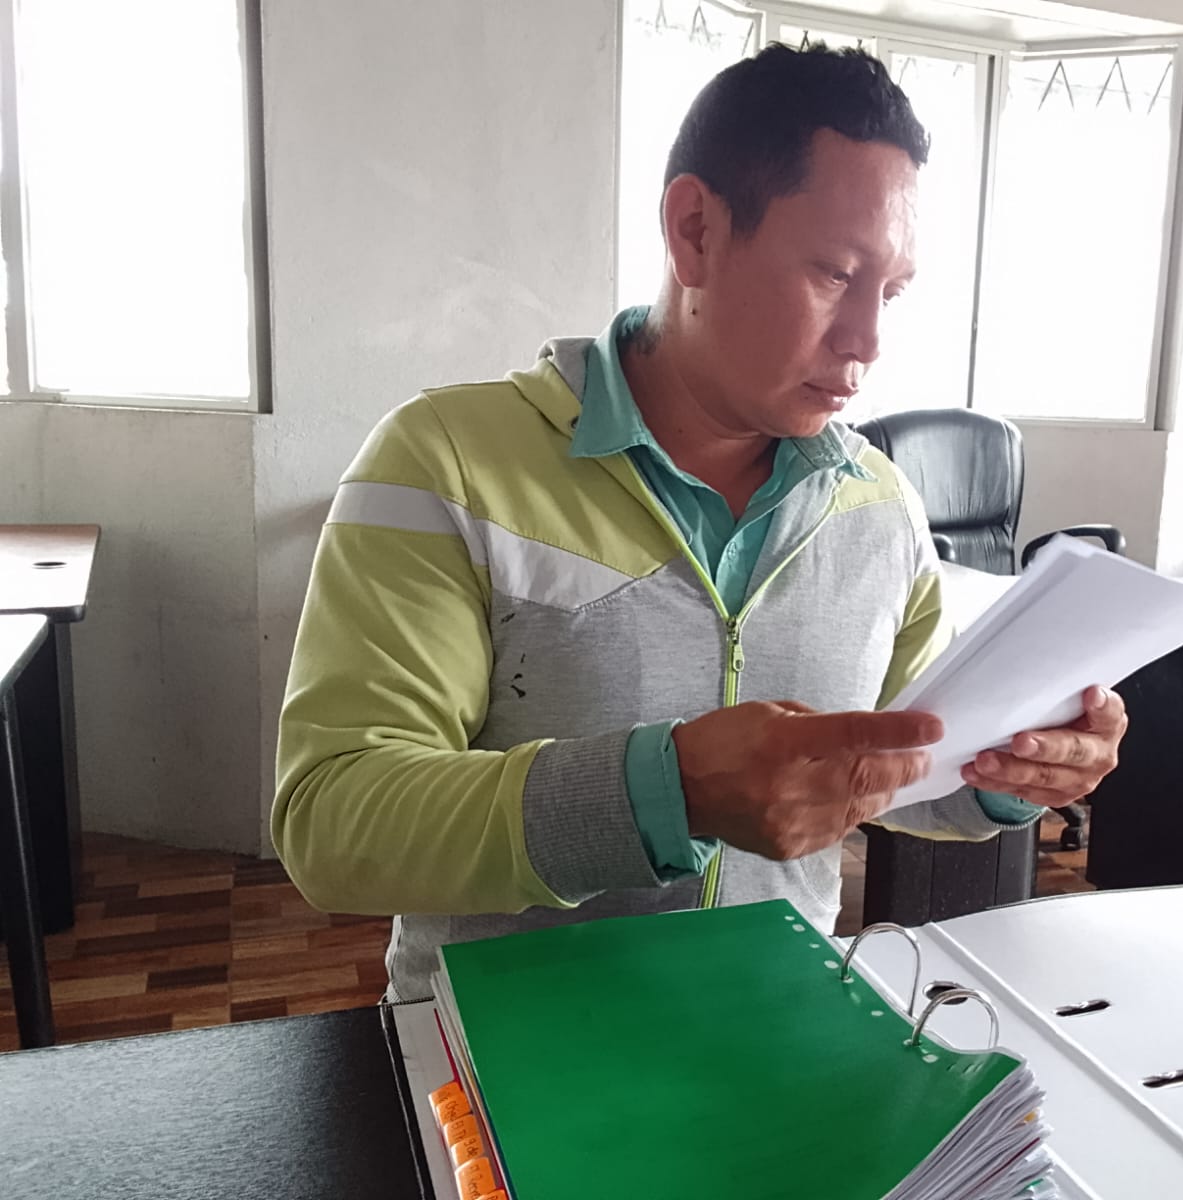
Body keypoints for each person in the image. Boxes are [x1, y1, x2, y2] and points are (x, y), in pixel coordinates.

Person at [273, 43, 1127, 1000]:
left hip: (777, 1029)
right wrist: (666, 791)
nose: (869, 341)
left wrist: (1016, 771)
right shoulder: (446, 462)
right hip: (499, 1053)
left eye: (889, 293)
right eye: (834, 274)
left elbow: (905, 769)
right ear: (695, 233)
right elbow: (334, 823)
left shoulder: (878, 503)